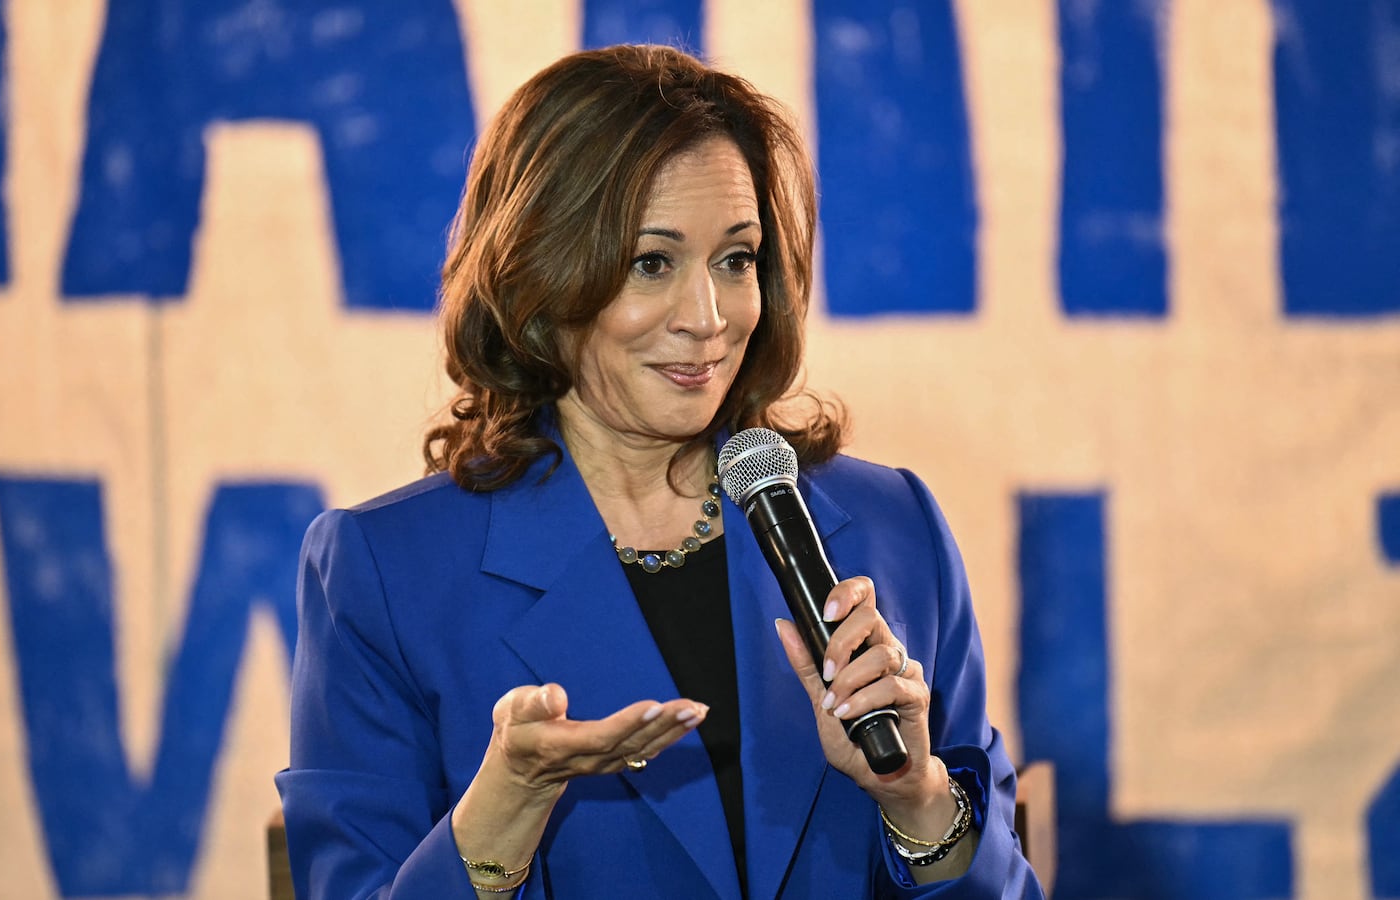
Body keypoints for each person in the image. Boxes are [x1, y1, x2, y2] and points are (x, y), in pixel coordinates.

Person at [276, 44, 1043, 899]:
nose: (708, 319)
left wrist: (919, 798)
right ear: (540, 277)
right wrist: (498, 821)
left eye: (736, 259)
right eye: (652, 263)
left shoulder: (893, 526)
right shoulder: (385, 573)